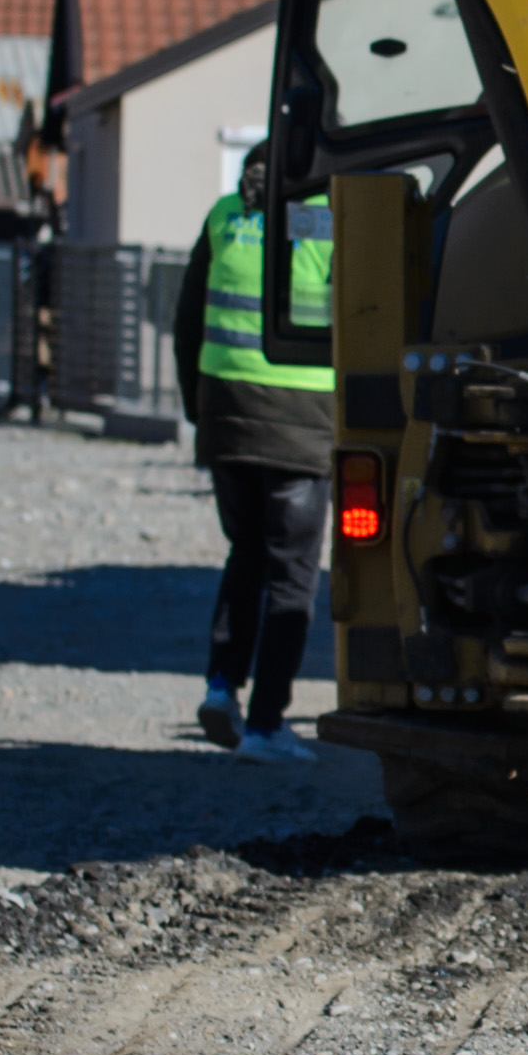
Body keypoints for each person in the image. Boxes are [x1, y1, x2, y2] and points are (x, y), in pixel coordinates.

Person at [173, 144, 335, 764]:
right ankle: (268, 725)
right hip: (300, 424)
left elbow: (186, 319)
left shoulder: (223, 216)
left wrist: (198, 411)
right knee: (292, 577)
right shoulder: (325, 218)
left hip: (226, 419)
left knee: (244, 553)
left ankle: (222, 687)